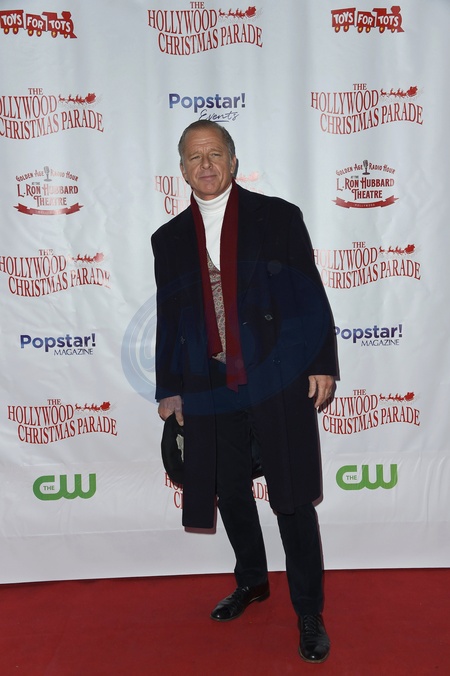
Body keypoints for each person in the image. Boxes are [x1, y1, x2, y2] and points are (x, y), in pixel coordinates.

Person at [151, 120, 338, 663]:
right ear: (182, 169)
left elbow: (309, 293)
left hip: (276, 375)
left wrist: (321, 362)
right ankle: (253, 580)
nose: (205, 165)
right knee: (229, 488)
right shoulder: (168, 238)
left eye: (215, 154)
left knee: (291, 496)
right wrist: (169, 388)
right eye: (194, 157)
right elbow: (169, 317)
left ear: (233, 162)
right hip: (207, 383)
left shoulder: (277, 216)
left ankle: (309, 610)